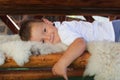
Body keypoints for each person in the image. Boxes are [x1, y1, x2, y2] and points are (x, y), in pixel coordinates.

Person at [19, 18, 120, 80]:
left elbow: (80, 44)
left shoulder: (63, 30)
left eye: (45, 30)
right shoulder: (60, 38)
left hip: (115, 32)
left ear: (48, 22)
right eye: (43, 41)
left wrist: (62, 63)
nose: (48, 37)